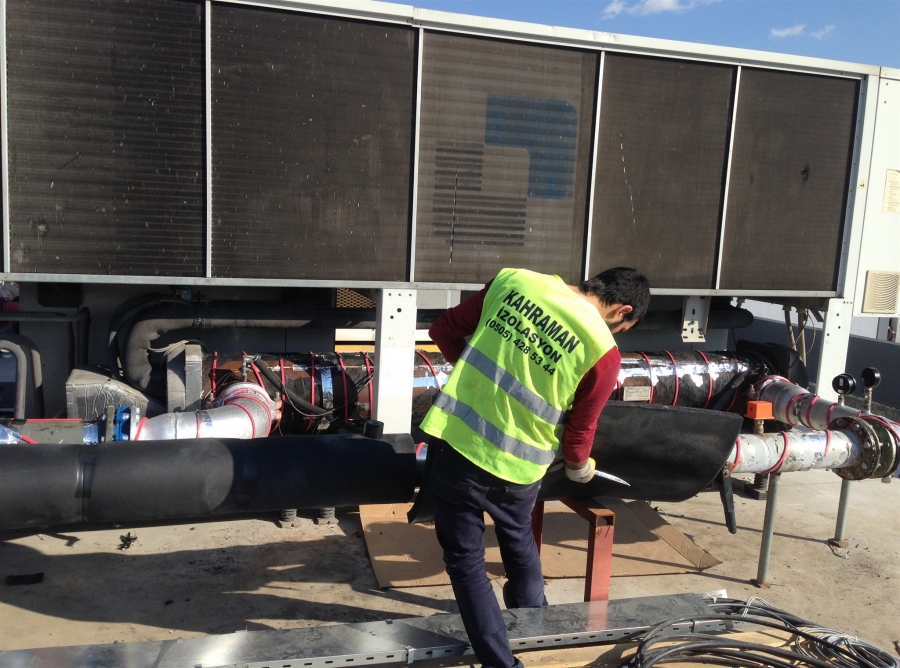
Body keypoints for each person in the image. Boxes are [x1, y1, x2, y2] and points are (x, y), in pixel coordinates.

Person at [419, 266, 650, 668]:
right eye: (622, 328)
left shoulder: (514, 281)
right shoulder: (603, 353)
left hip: (459, 445)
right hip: (520, 468)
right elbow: (580, 433)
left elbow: (442, 330)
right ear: (622, 310)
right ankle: (534, 625)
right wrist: (579, 469)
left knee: (466, 563)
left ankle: (501, 663)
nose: (616, 333)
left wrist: (473, 374)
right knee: (517, 534)